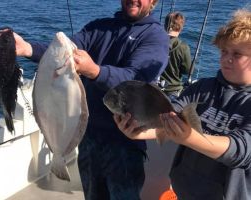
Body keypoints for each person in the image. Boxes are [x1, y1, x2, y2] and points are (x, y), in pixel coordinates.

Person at [11, 0, 169, 199]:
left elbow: (137, 80)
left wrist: (94, 71)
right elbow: (61, 52)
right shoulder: (98, 27)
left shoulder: (155, 36)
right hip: (88, 137)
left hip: (124, 142)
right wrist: (27, 48)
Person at [114, 8, 251, 200]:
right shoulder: (203, 87)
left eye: (237, 54)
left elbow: (241, 150)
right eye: (224, 51)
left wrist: (189, 137)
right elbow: (167, 116)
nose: (226, 58)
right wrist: (139, 131)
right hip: (183, 191)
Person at [159, 12, 192, 99]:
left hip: (154, 88)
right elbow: (188, 70)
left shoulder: (155, 42)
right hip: (173, 91)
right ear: (181, 27)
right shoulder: (183, 47)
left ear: (165, 25)